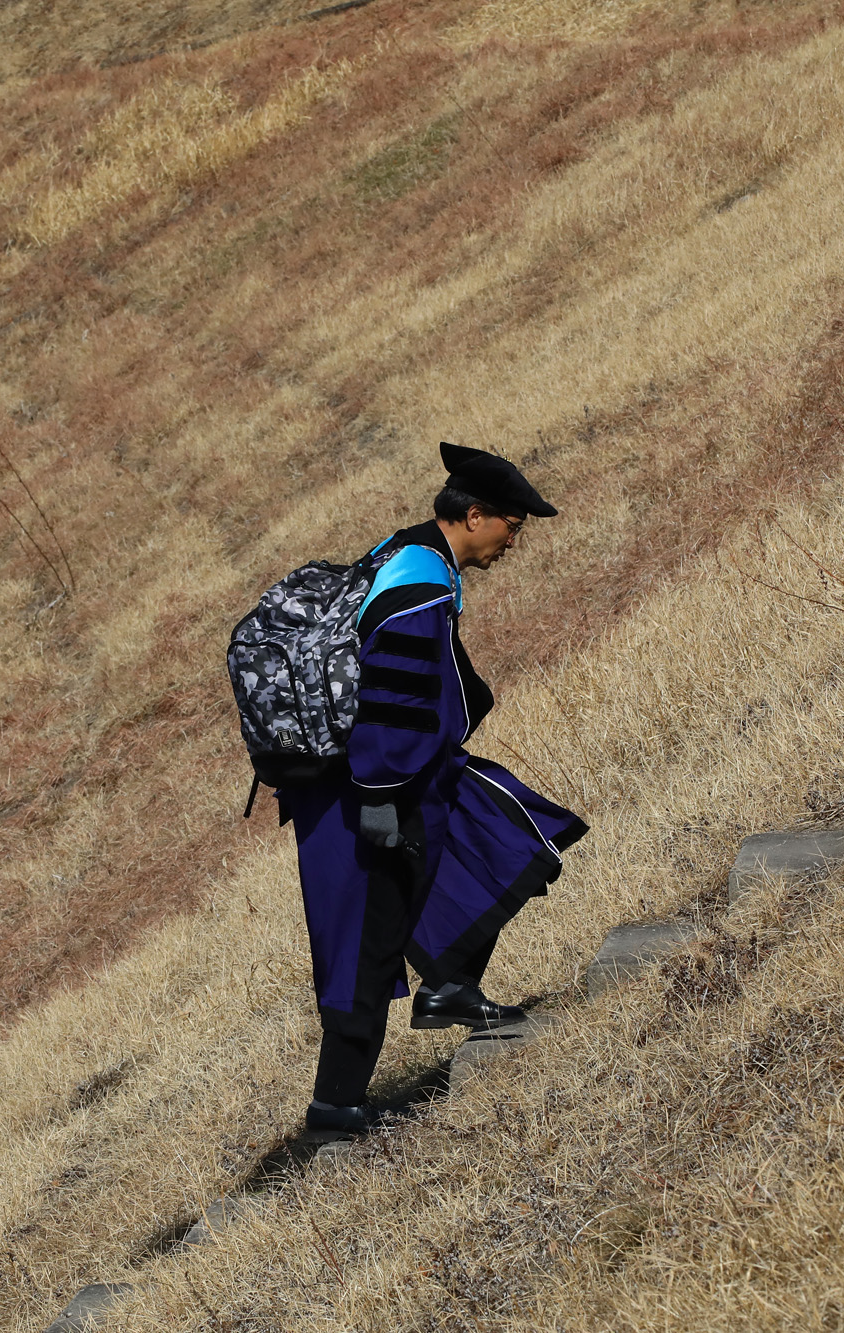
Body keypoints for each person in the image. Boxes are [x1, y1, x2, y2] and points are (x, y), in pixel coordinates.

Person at [278, 442, 588, 1135]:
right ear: (474, 516)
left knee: (501, 833)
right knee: (368, 939)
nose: (515, 539)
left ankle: (448, 984)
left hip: (402, 777)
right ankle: (336, 1109)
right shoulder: (419, 586)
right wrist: (383, 795)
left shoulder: (412, 554)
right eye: (513, 524)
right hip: (369, 788)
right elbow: (392, 697)